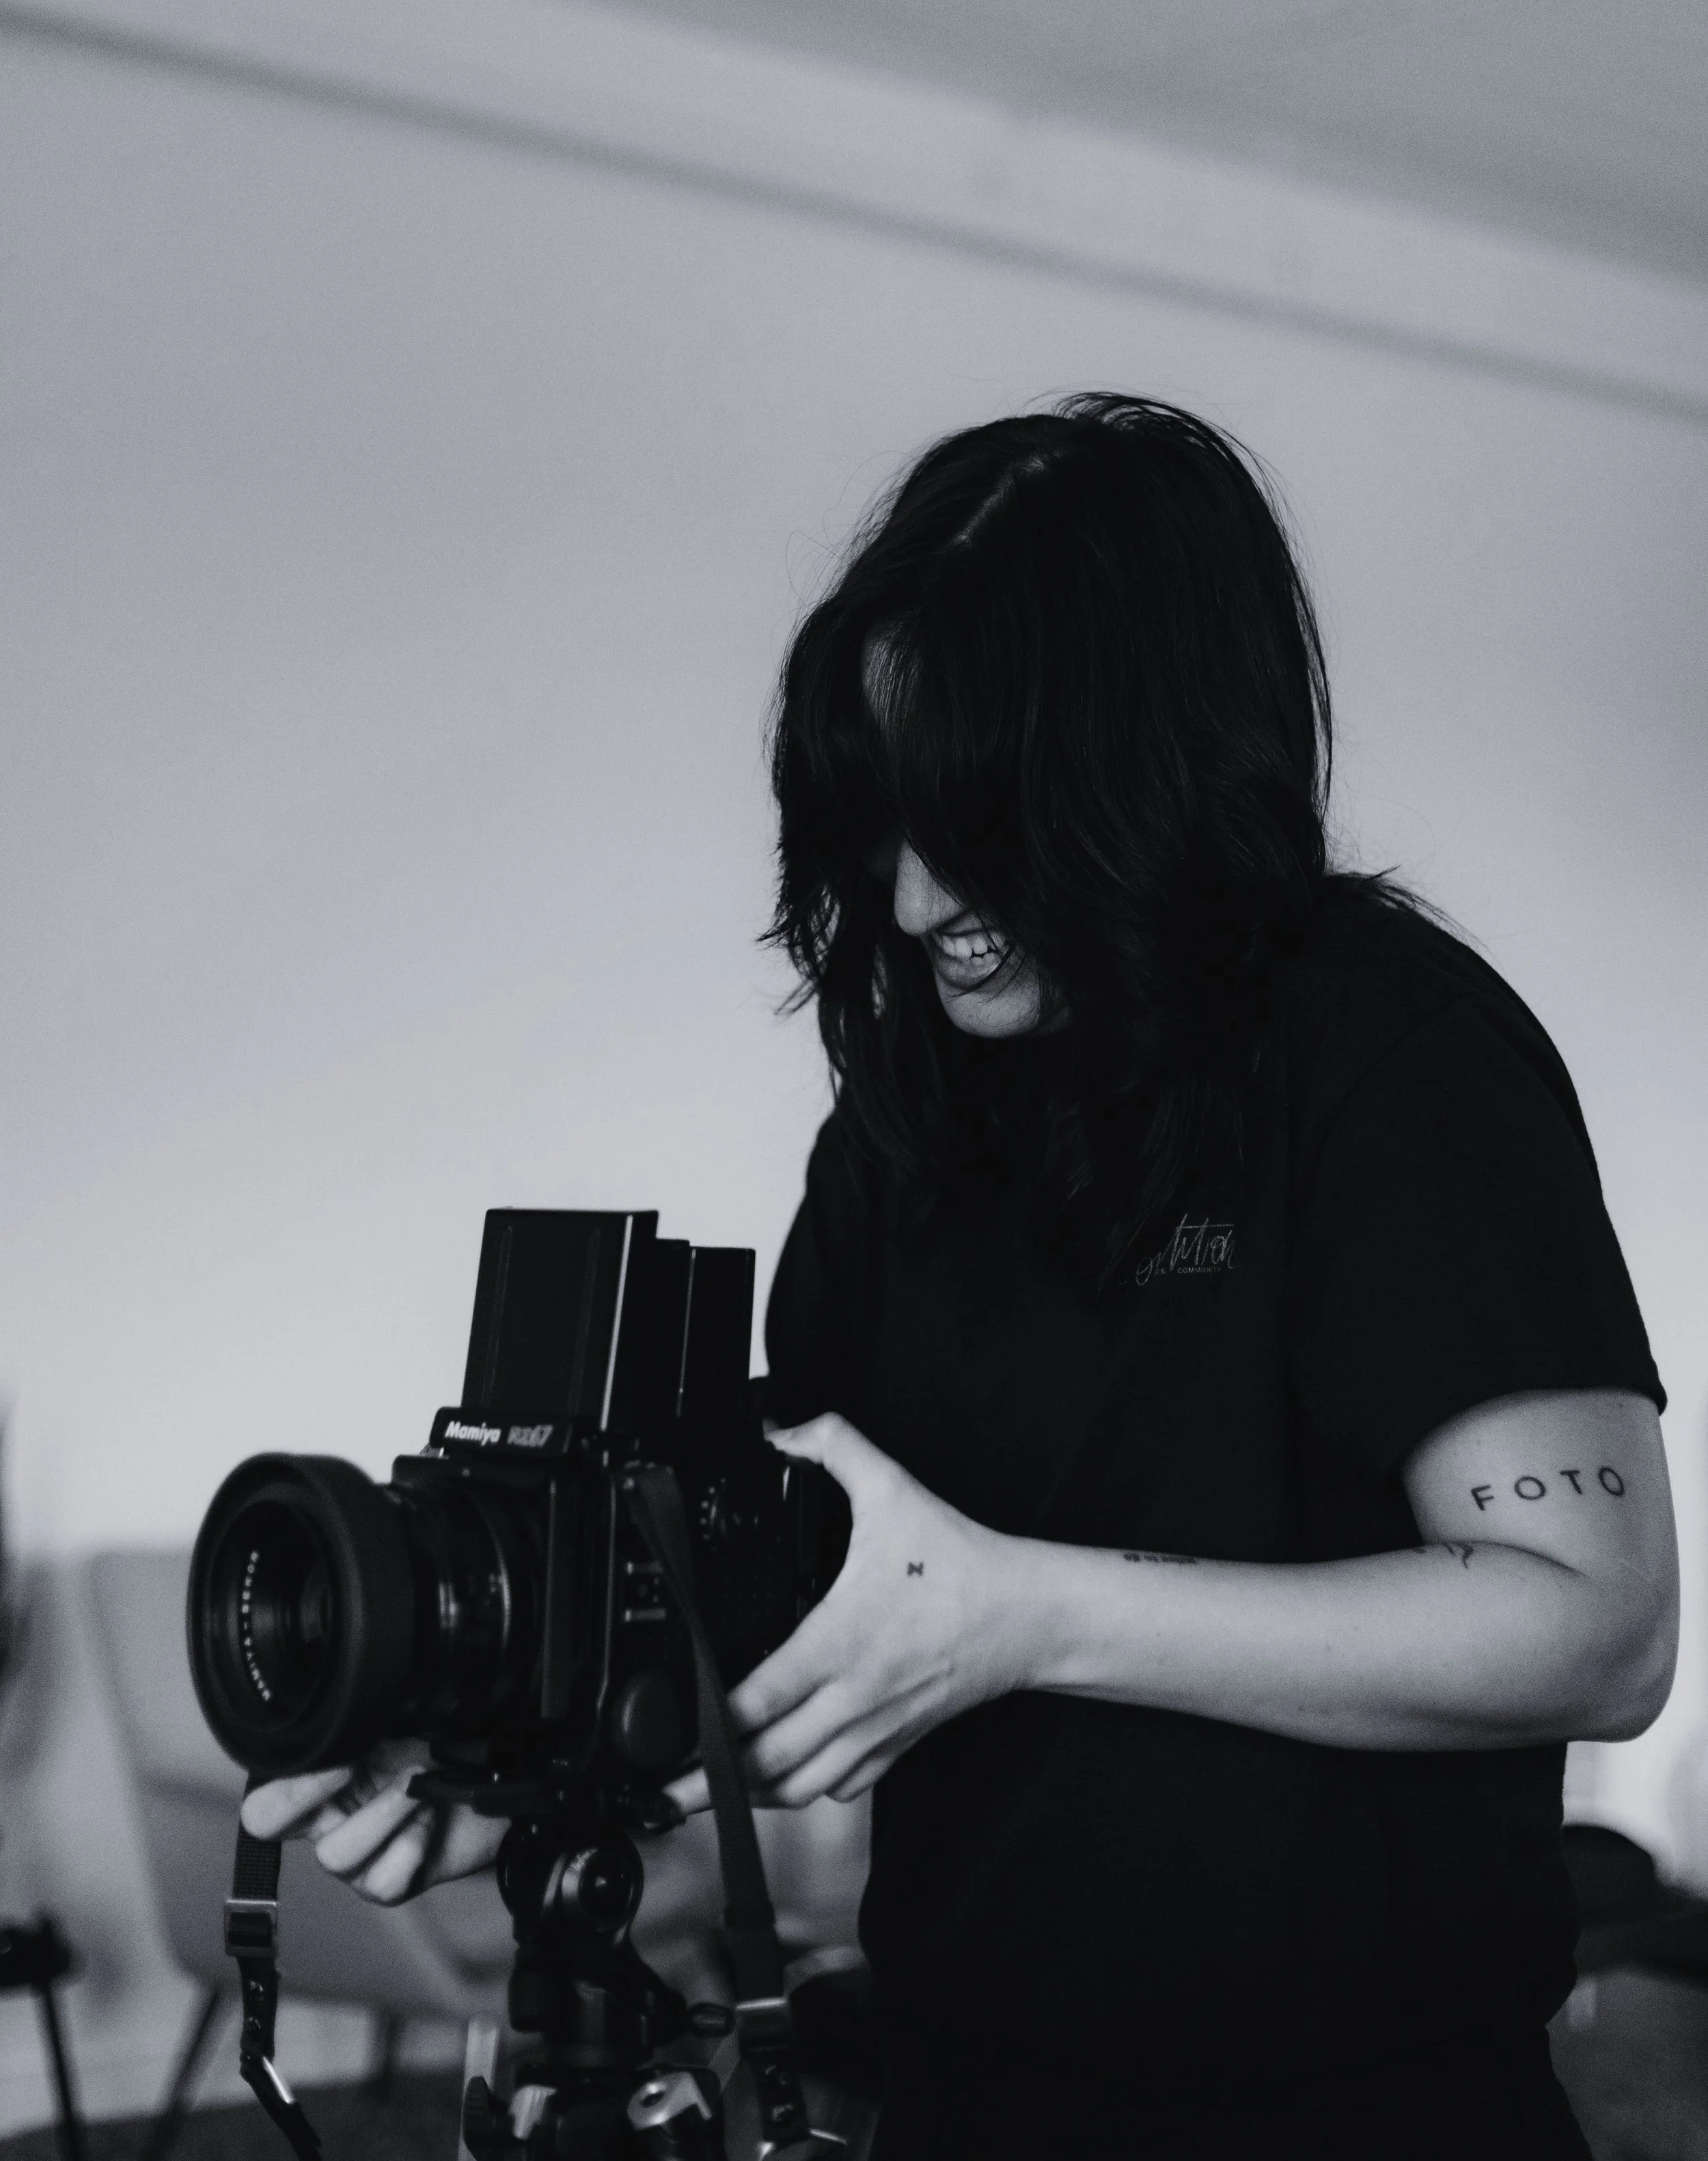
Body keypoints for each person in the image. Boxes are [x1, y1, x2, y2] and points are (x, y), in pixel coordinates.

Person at [247, 396, 1677, 2160]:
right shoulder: (904, 1122)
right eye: (878, 817)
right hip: (959, 2091)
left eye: (981, 818)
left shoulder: (1387, 1047)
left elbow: (1596, 1622)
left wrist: (1039, 1612)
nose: (917, 899)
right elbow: (838, 1621)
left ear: (1143, 772)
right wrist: (533, 1768)